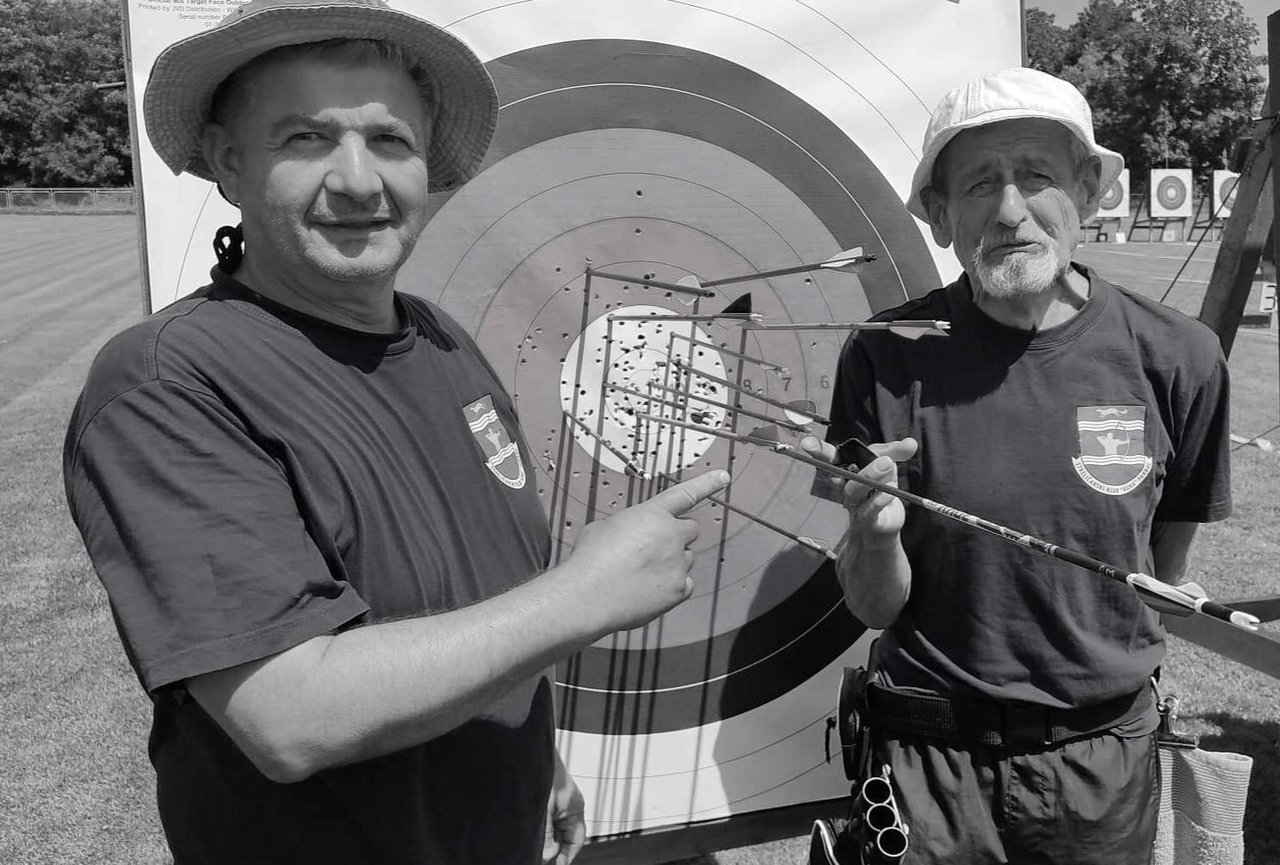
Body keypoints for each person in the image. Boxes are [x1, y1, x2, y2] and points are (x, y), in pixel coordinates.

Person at [62, 1, 729, 862]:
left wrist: (530, 760)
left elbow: (467, 599)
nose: (358, 181)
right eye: (306, 138)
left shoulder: (444, 341)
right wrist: (587, 593)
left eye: (389, 141)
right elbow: (286, 712)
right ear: (230, 161)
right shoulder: (170, 382)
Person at [805, 67, 1231, 864]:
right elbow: (873, 605)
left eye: (1036, 175)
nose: (1010, 210)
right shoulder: (883, 354)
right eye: (978, 185)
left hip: (1102, 766)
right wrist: (873, 532)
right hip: (930, 767)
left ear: (1089, 190)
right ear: (939, 214)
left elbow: (1160, 578)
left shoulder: (1182, 356)